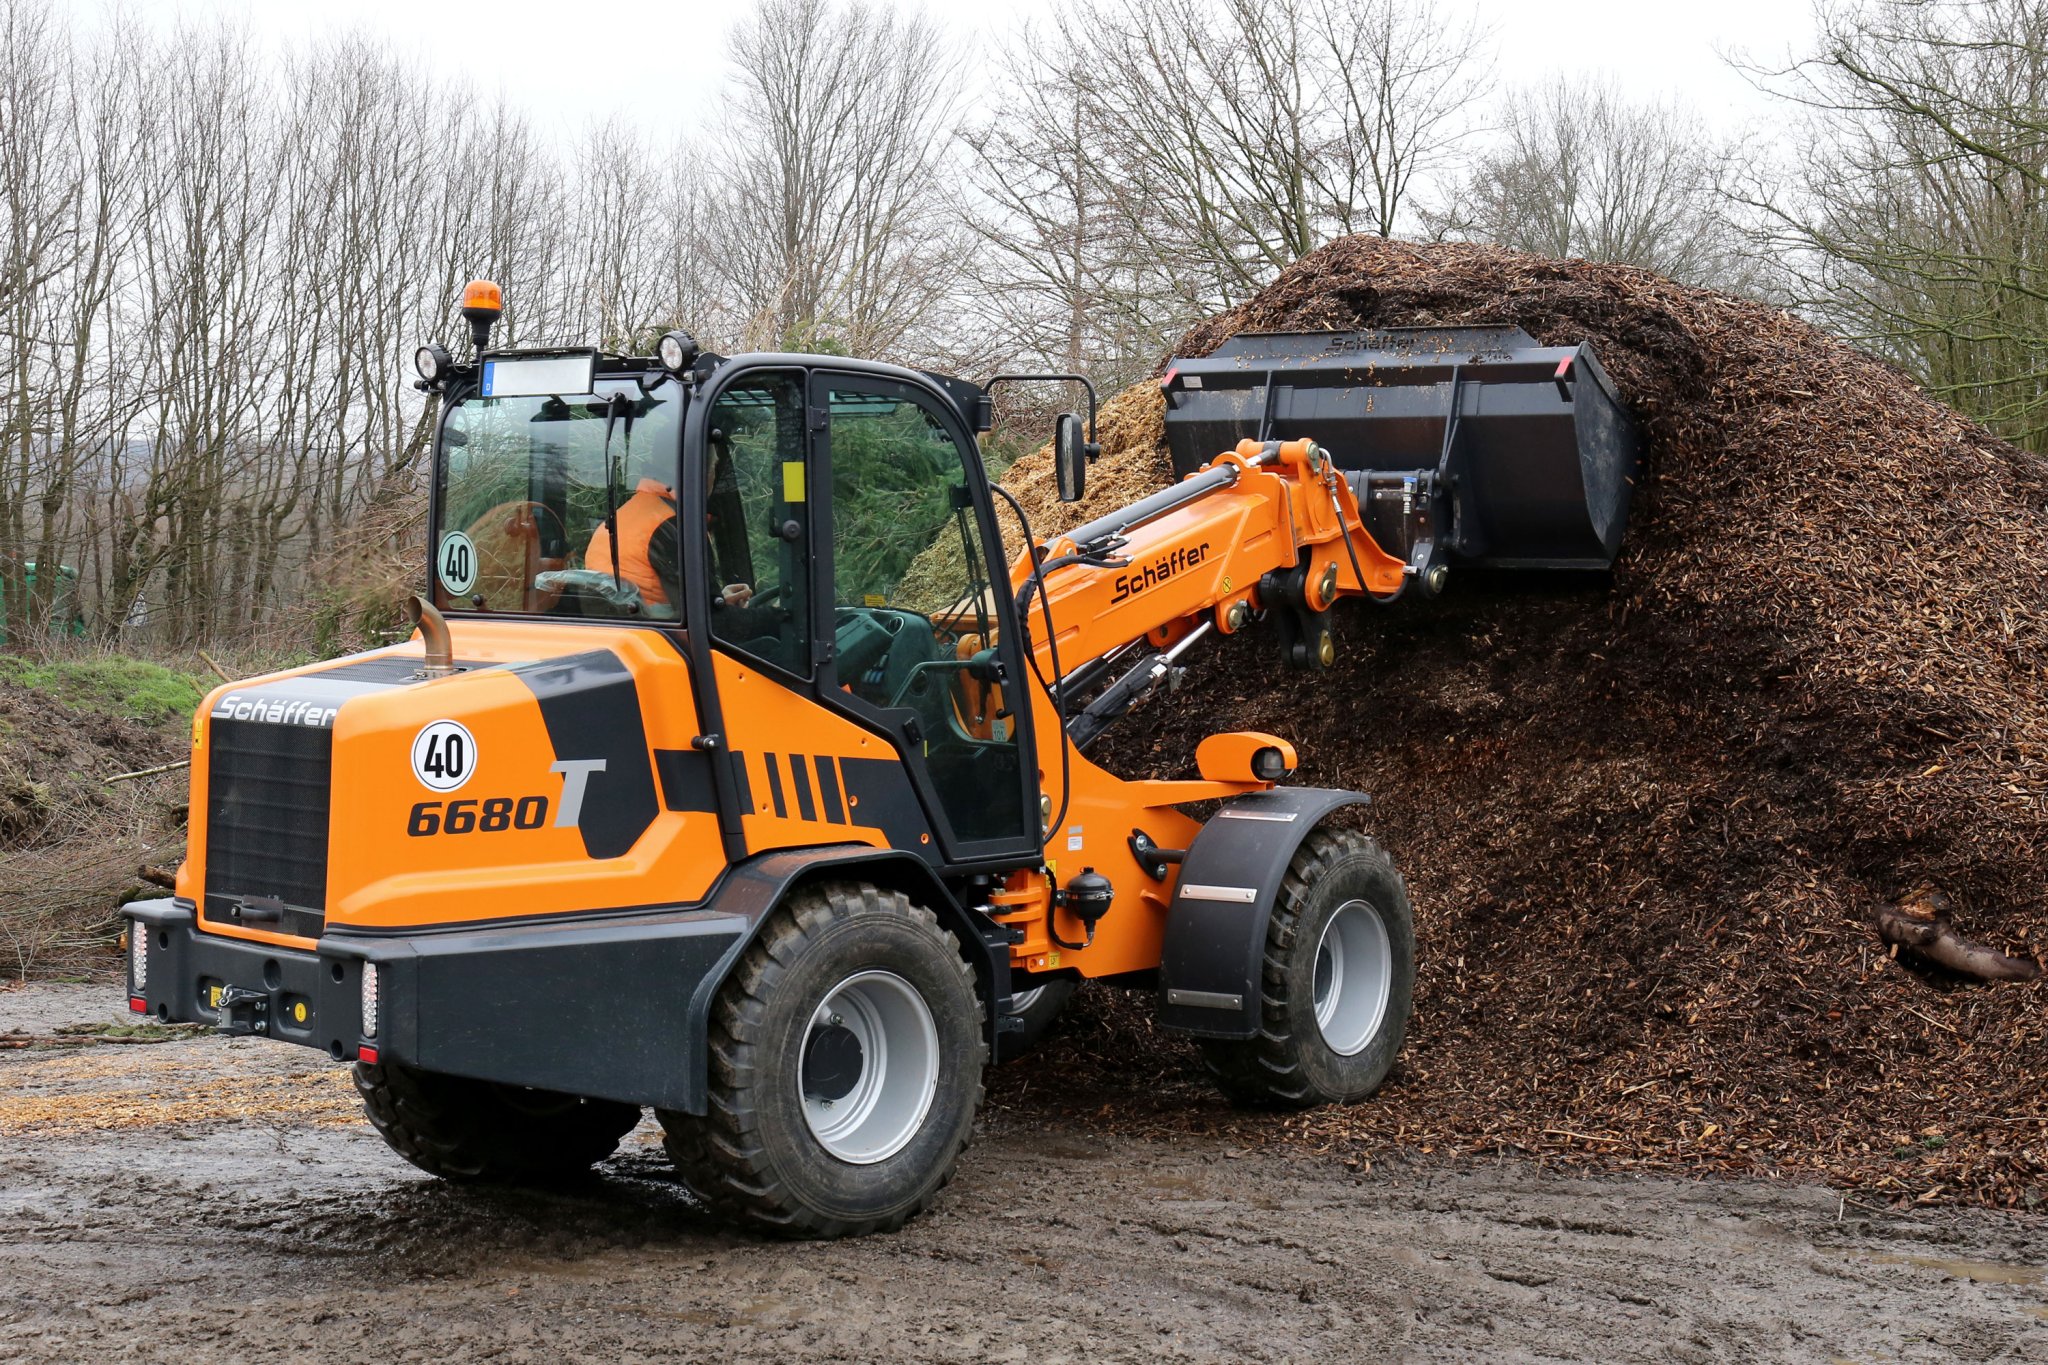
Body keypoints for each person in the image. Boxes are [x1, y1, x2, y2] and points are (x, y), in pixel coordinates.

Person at [584, 466, 750, 611]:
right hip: (657, 639)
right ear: (700, 469)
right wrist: (773, 618)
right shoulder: (673, 525)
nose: (714, 476)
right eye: (713, 467)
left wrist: (717, 600)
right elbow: (711, 623)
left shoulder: (617, 520)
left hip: (626, 631)